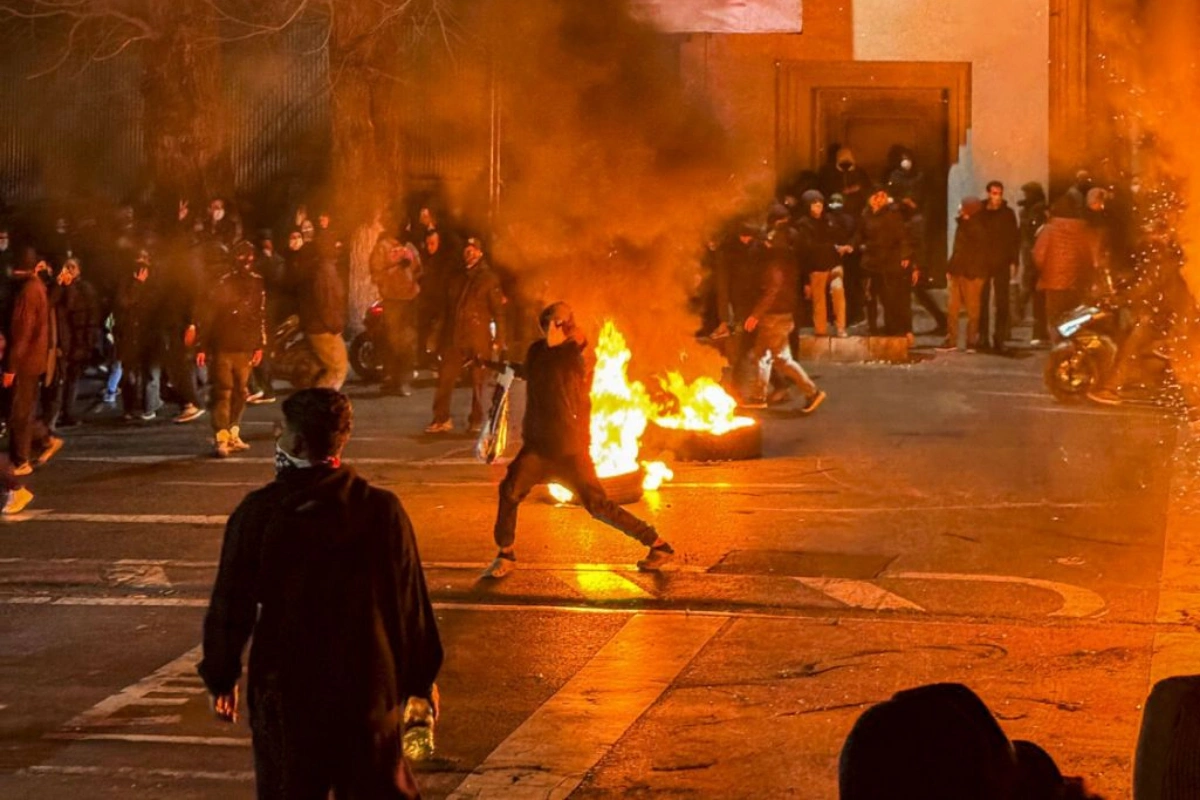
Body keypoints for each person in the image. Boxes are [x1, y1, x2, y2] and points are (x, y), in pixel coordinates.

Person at [199, 388, 442, 799]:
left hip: (288, 687)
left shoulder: (261, 513)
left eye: (282, 432)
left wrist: (222, 675)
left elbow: (231, 602)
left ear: (295, 441)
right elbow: (409, 602)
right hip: (366, 685)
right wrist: (421, 678)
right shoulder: (381, 510)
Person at [482, 303, 675, 579]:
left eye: (558, 321)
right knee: (510, 490)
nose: (552, 325)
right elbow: (527, 370)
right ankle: (505, 554)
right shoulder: (537, 352)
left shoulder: (571, 355)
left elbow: (566, 357)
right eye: (549, 320)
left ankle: (658, 545)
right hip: (538, 446)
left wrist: (568, 335)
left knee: (599, 506)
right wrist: (485, 362)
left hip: (569, 449)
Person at [425, 236, 505, 434]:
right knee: (446, 377)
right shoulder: (457, 277)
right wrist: (435, 336)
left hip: (478, 337)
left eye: (473, 250)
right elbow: (447, 309)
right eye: (467, 250)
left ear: (480, 253)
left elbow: (498, 311)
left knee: (479, 382)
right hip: (456, 336)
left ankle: (476, 420)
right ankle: (441, 419)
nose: (469, 253)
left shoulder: (488, 279)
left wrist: (500, 339)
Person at [743, 231, 827, 412]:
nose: (765, 245)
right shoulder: (788, 261)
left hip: (775, 316)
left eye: (768, 242)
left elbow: (772, 291)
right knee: (762, 355)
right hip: (782, 314)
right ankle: (759, 396)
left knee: (781, 359)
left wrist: (755, 315)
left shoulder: (775, 265)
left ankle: (812, 392)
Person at [197, 241, 266, 458]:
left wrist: (259, 345)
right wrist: (204, 346)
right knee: (223, 392)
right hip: (224, 346)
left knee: (240, 393)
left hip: (244, 348)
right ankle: (221, 437)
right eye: (241, 256)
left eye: (249, 256)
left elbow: (260, 315)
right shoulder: (223, 283)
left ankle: (233, 432)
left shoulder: (257, 283)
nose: (246, 260)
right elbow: (210, 316)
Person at [5, 252, 63, 476]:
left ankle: (20, 462)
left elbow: (22, 332)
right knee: (21, 409)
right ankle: (45, 439)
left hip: (24, 362)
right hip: (31, 360)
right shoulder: (35, 287)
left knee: (19, 412)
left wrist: (11, 367)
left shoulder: (27, 291)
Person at [291, 224, 348, 390]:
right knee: (337, 368)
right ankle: (321, 403)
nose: (339, 247)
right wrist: (336, 326)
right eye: (336, 244)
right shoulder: (324, 271)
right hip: (323, 328)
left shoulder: (319, 267)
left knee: (322, 367)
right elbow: (327, 304)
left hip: (316, 325)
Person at [1033, 196, 1095, 343]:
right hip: (1076, 283)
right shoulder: (1082, 229)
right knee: (1073, 317)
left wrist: (1044, 271)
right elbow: (1088, 256)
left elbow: (1039, 255)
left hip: (1053, 282)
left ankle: (1058, 346)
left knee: (1055, 317)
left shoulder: (1049, 229)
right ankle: (1071, 344)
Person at [370, 235, 423, 396]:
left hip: (409, 300)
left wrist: (410, 264)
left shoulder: (409, 246)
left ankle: (403, 381)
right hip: (392, 300)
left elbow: (419, 269)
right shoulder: (382, 247)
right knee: (391, 341)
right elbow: (376, 274)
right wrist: (395, 266)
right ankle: (390, 379)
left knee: (408, 341)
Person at [860, 188, 916, 338]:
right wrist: (858, 245)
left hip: (888, 261)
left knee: (889, 296)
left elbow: (902, 236)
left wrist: (905, 255)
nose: (878, 199)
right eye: (875, 196)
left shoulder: (892, 214)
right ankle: (872, 327)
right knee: (870, 295)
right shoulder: (866, 214)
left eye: (881, 196)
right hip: (871, 262)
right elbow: (861, 233)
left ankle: (894, 327)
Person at [795, 190, 850, 338]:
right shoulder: (803, 225)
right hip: (817, 267)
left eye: (820, 202)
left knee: (838, 291)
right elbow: (807, 250)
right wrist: (806, 279)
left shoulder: (829, 220)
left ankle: (841, 327)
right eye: (814, 203)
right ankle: (820, 330)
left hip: (833, 264)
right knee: (819, 301)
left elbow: (838, 236)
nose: (818, 205)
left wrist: (840, 247)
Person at [938, 197, 988, 353]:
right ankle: (951, 339)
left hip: (971, 274)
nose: (959, 208)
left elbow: (978, 254)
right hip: (958, 272)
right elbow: (958, 250)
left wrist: (973, 272)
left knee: (973, 309)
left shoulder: (978, 228)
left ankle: (971, 341)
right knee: (952, 307)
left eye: (962, 206)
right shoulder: (963, 225)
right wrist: (951, 267)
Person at [977, 181, 1021, 353]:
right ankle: (982, 337)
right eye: (994, 193)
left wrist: (1014, 261)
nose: (996, 197)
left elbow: (1013, 239)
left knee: (1002, 302)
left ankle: (1000, 337)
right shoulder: (980, 212)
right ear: (988, 193)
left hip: (1001, 262)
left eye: (999, 193)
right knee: (982, 300)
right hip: (983, 261)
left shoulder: (1008, 214)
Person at [1017, 182, 1050, 345]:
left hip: (1035, 256)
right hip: (1029, 255)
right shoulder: (1028, 210)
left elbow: (1035, 232)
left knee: (1034, 294)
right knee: (1033, 293)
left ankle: (1037, 329)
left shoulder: (1038, 210)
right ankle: (1036, 329)